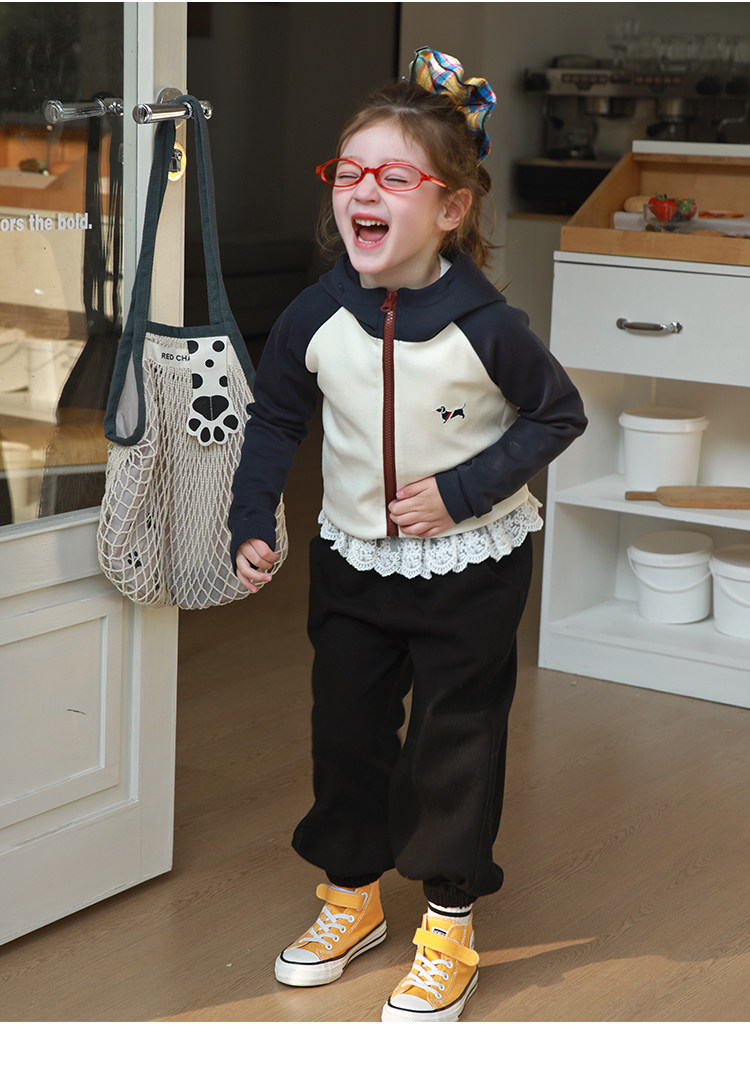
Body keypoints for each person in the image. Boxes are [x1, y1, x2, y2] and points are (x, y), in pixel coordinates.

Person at [228, 47, 587, 1022]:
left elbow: (558, 415)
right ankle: (351, 897)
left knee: (453, 743)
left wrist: (463, 493)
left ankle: (449, 926)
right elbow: (275, 418)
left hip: (474, 567)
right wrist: (253, 514)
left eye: (394, 176)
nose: (363, 190)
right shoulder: (314, 314)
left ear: (450, 208)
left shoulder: (489, 324)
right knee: (346, 731)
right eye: (348, 172)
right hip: (354, 562)